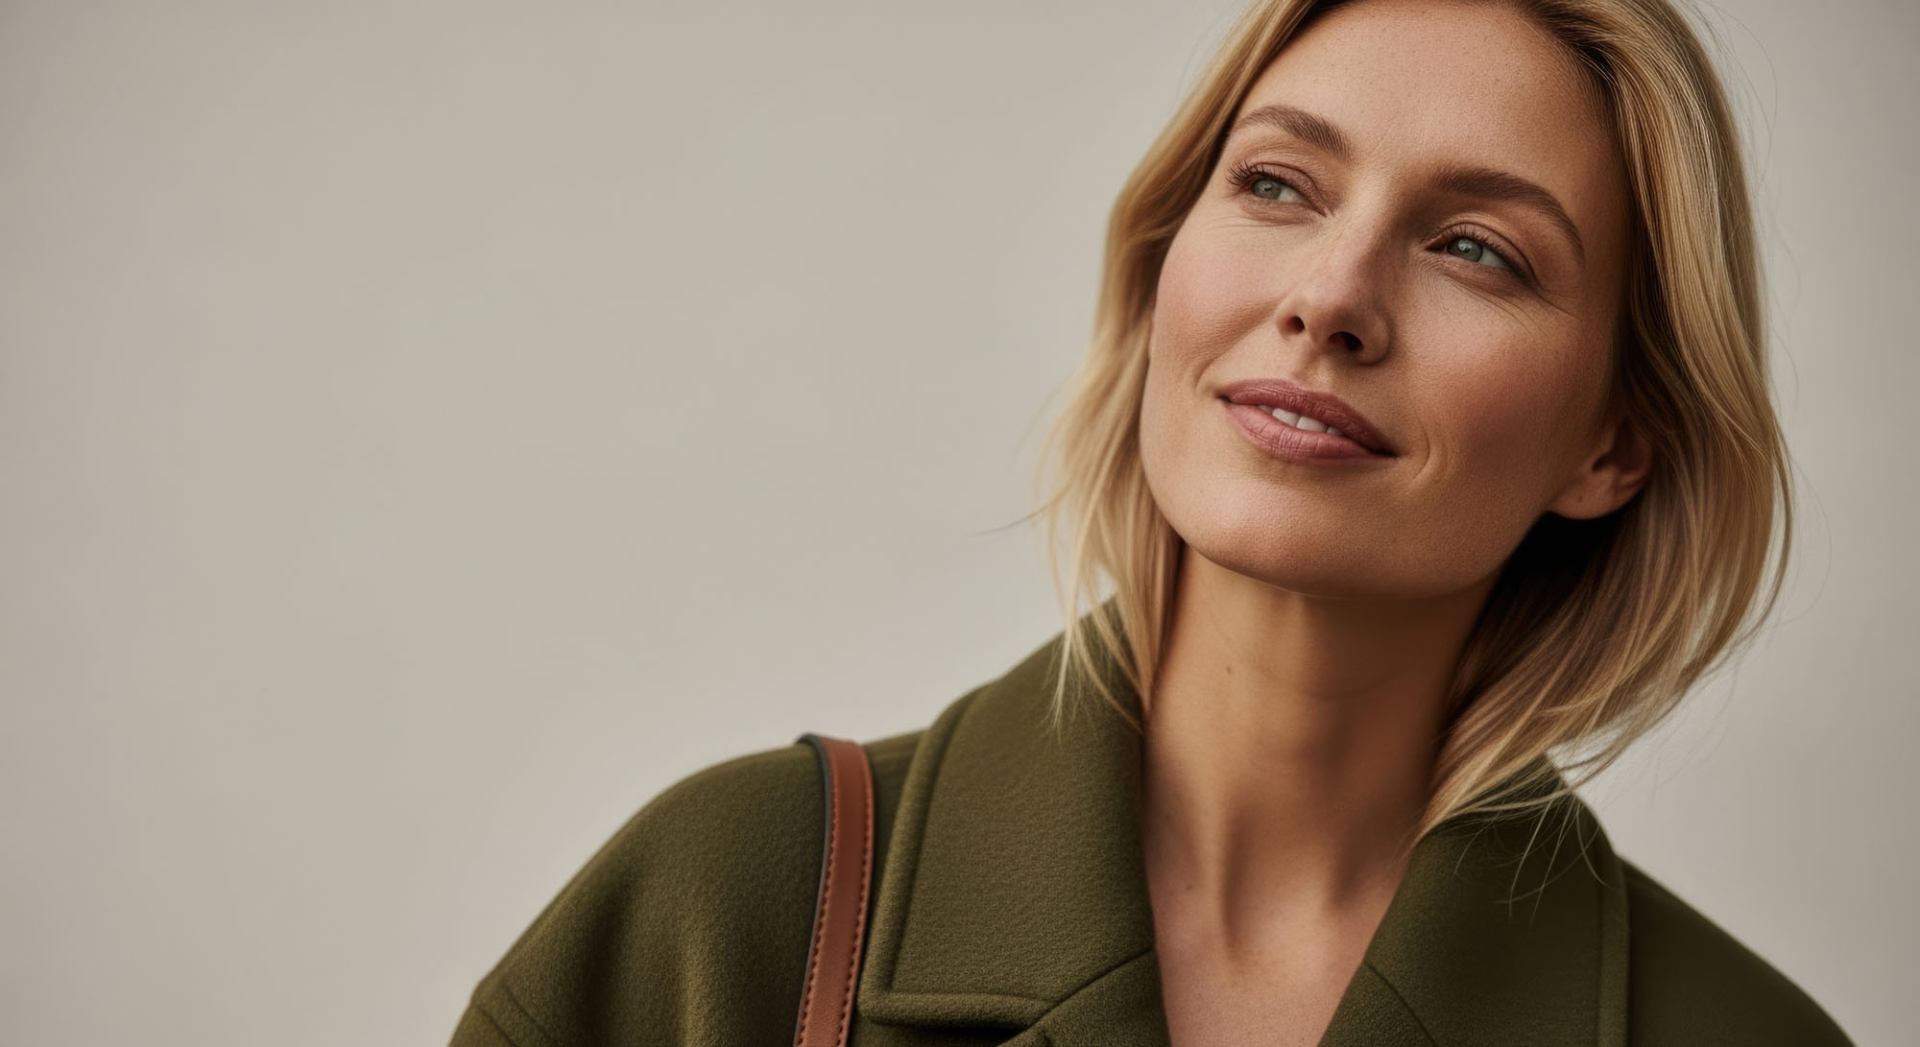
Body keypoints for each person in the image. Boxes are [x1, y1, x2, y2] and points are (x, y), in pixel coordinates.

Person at [449, 0, 1856, 1043]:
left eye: (1475, 249)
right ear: (1161, 262)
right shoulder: (727, 909)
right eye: (1276, 184)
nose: (1330, 296)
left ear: (1617, 443)